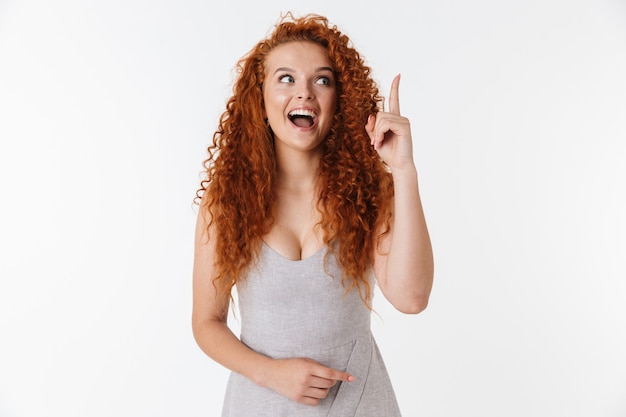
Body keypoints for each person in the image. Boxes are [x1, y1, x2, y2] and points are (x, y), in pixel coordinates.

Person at [192, 13, 434, 416]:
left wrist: (403, 171)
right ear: (261, 100)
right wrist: (271, 373)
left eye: (322, 80)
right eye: (286, 79)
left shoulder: (369, 192)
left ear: (339, 101)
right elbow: (206, 322)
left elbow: (411, 298)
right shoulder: (227, 201)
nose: (304, 93)